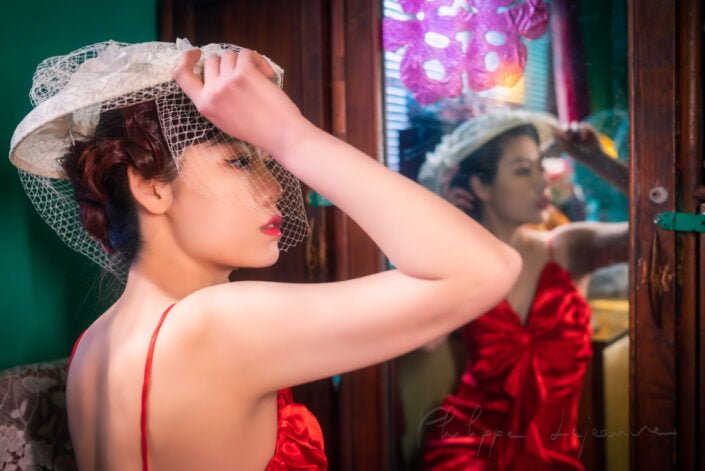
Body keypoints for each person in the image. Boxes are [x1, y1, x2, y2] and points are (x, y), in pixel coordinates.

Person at [9, 40, 522, 470]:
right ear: (151, 188)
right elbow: (487, 269)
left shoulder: (93, 344)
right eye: (238, 161)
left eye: (268, 160)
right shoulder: (216, 324)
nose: (275, 188)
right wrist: (290, 134)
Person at [417, 110, 628, 470]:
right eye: (523, 170)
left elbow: (661, 223)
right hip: (468, 450)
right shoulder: (462, 264)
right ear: (481, 187)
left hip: (553, 458)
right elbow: (425, 341)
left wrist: (598, 160)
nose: (543, 182)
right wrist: (444, 230)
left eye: (540, 166)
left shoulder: (567, 248)